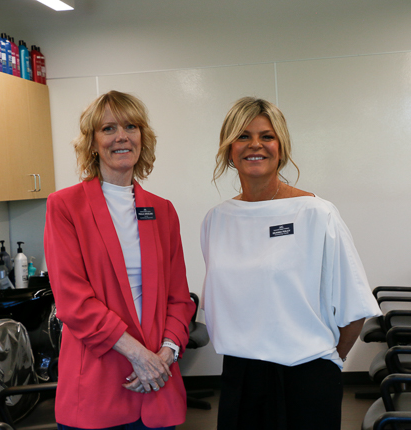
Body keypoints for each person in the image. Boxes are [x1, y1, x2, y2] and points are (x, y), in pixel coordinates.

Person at [200, 97, 381, 430]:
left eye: (266, 136)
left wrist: (327, 360)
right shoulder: (217, 220)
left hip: (307, 376)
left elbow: (354, 309)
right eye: (243, 136)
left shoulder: (316, 213)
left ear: (281, 147)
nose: (255, 145)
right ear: (228, 150)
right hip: (240, 377)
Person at [44, 91, 195, 430]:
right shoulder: (65, 207)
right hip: (97, 387)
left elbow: (179, 298)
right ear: (93, 142)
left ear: (143, 137)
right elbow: (74, 303)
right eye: (108, 128)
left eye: (131, 126)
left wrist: (164, 356)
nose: (122, 136)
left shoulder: (162, 210)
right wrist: (141, 357)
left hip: (157, 382)